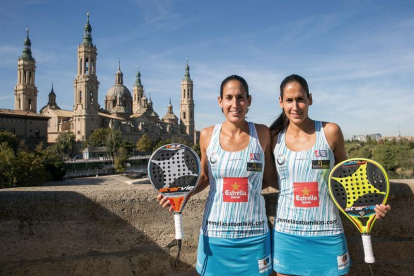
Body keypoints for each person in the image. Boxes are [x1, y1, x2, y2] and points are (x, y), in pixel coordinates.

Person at [269, 74, 391, 276]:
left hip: (328, 233)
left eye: (300, 99)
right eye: (289, 100)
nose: (295, 106)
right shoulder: (274, 137)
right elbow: (271, 180)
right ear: (281, 102)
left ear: (310, 99)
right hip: (287, 235)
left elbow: (349, 180)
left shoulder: (330, 131)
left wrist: (373, 205)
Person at [158, 75, 277, 276]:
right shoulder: (207, 135)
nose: (235, 104)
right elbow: (204, 177)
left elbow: (272, 178)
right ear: (220, 101)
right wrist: (180, 195)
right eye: (229, 97)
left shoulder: (263, 133)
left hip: (255, 236)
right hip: (215, 236)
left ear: (249, 101)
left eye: (240, 97)